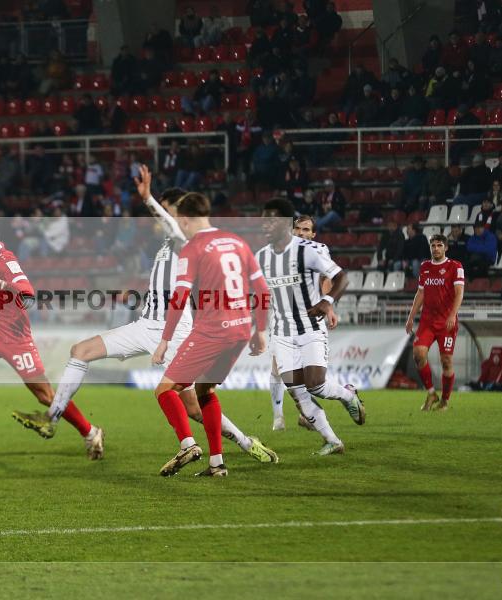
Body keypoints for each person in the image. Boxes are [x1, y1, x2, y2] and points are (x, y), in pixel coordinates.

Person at [12, 172, 278, 465]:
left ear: (180, 213)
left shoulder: (186, 241)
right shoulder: (168, 244)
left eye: (167, 211)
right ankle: (53, 417)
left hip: (174, 331)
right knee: (80, 351)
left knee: (193, 407)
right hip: (144, 324)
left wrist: (148, 198)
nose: (158, 219)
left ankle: (243, 442)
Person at [0, 214, 104, 458]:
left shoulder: (7, 263)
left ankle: (91, 432)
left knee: (45, 396)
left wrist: (7, 286)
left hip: (15, 339)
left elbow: (28, 293)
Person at [150, 192, 272, 477]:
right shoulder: (237, 242)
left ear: (184, 219)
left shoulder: (193, 247)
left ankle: (188, 445)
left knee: (165, 390)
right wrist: (261, 331)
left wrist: (165, 339)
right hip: (241, 330)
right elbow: (263, 291)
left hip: (212, 331)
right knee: (206, 390)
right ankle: (217, 464)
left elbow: (179, 296)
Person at [256, 198, 364, 456]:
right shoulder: (261, 257)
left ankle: (348, 396)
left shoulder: (309, 250)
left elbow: (340, 277)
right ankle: (333, 440)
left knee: (316, 385)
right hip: (281, 332)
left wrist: (327, 303)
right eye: (264, 221)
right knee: (297, 392)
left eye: (271, 220)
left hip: (310, 327)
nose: (265, 225)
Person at [267, 214, 340, 431]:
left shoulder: (319, 249)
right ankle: (278, 416)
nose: (301, 233)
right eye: (298, 229)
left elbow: (326, 279)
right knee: (279, 367)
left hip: (309, 317)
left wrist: (329, 307)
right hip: (283, 314)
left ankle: (309, 413)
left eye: (306, 230)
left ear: (314, 234)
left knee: (310, 375)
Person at [405, 234, 465, 411]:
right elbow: (420, 293)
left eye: (439, 245)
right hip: (427, 321)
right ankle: (431, 392)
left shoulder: (455, 266)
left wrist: (453, 314)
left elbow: (459, 292)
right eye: (433, 245)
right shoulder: (425, 267)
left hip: (446, 322)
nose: (436, 249)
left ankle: (445, 401)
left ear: (446, 248)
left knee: (446, 361)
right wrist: (411, 317)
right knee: (418, 354)